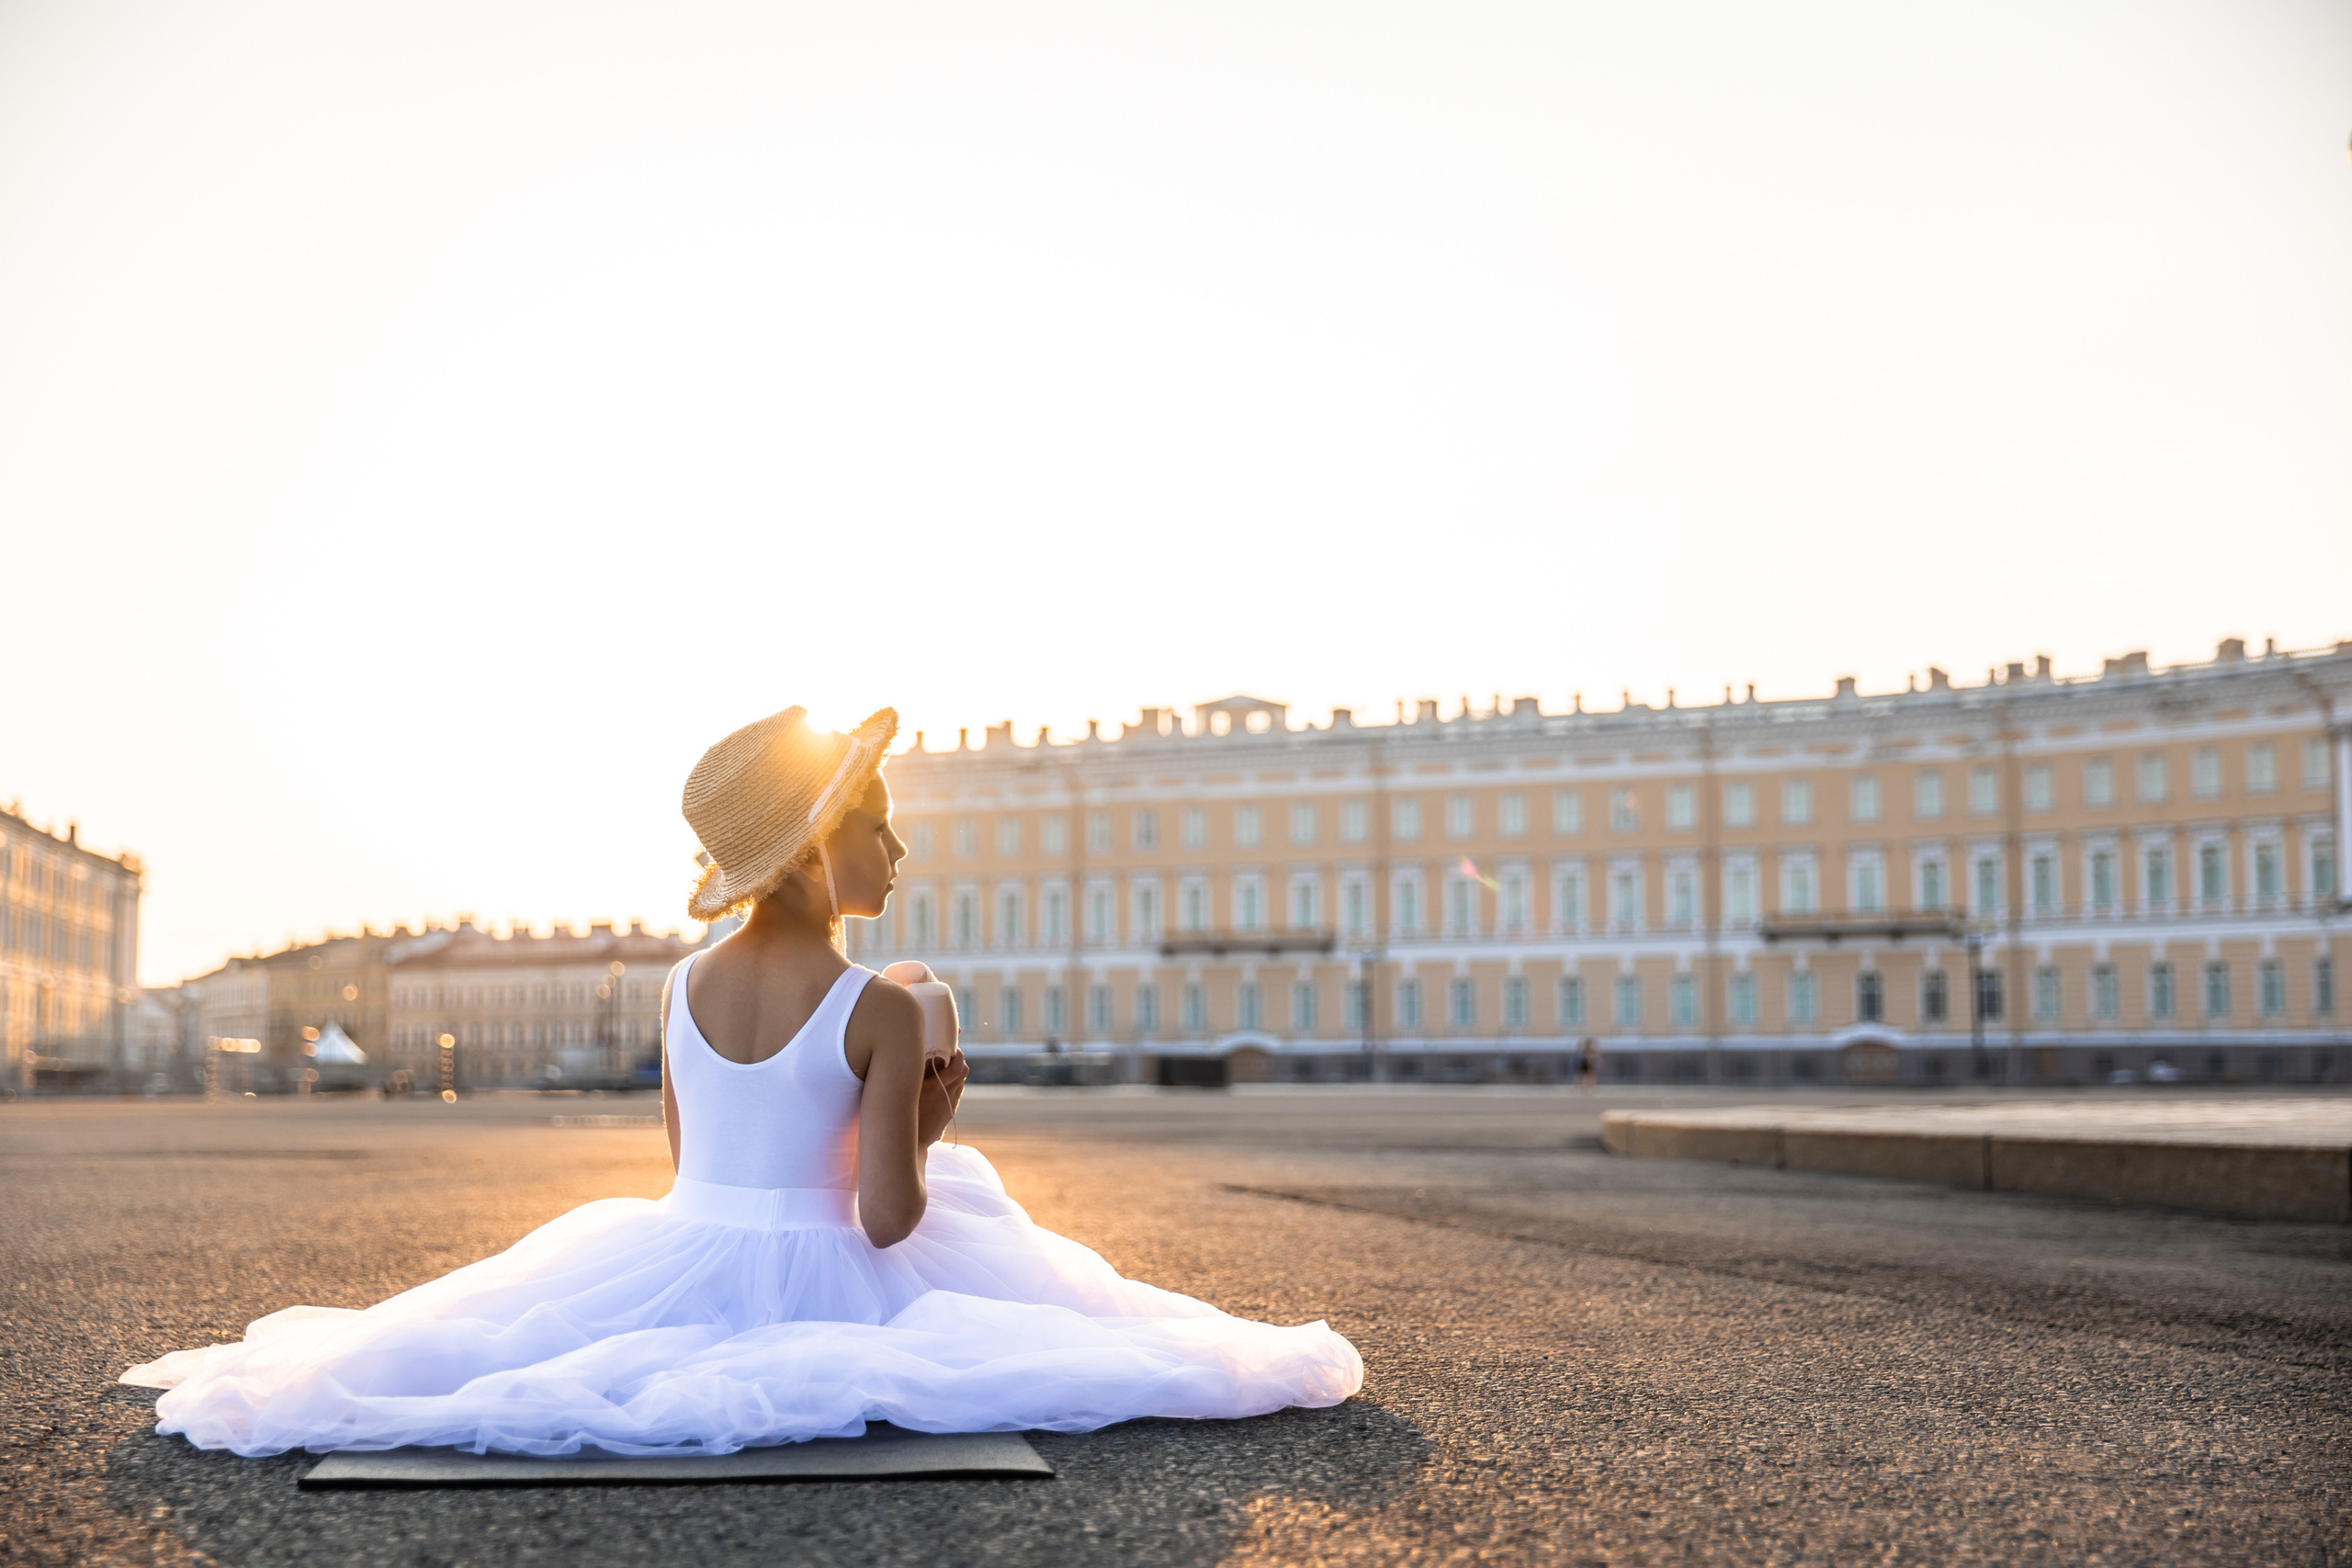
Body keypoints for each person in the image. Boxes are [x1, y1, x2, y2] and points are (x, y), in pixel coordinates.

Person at [121, 705, 1361, 1457]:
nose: (901, 844)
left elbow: (689, 1168)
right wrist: (932, 1117)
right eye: (880, 824)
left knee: (495, 1350)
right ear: (826, 847)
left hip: (681, 1246)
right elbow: (885, 1218)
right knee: (1055, 1300)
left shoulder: (679, 985)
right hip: (827, 1275)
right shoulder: (877, 1004)